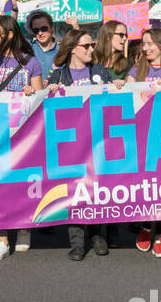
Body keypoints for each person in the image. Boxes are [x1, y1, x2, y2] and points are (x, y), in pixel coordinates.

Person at [0, 14, 43, 260]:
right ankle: (3, 240)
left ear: (9, 35)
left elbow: (39, 97)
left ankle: (24, 226)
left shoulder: (30, 61)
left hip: (24, 131)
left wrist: (30, 91)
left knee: (22, 181)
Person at [47, 29, 114, 260]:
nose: (91, 49)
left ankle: (98, 235)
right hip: (71, 145)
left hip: (97, 141)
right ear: (72, 48)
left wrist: (118, 86)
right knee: (74, 192)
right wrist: (49, 93)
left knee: (97, 189)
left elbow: (113, 100)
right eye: (86, 46)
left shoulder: (99, 71)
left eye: (92, 45)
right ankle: (77, 243)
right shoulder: (58, 76)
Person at [124, 28, 161, 258]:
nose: (146, 48)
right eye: (144, 44)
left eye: (150, 44)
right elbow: (125, 99)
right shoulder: (137, 70)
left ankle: (160, 237)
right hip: (142, 139)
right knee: (148, 187)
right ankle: (146, 226)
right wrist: (122, 86)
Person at [25, 10, 59, 77]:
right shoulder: (27, 47)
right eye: (36, 30)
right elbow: (12, 34)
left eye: (44, 28)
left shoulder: (61, 51)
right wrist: (15, 9)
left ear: (51, 28)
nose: (40, 33)